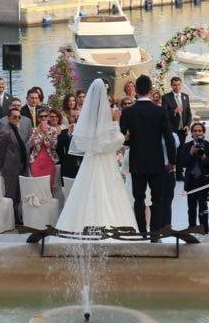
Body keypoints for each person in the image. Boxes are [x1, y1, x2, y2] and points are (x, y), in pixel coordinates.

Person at [56, 79, 139, 233]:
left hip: (90, 161)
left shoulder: (86, 118)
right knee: (109, 193)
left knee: (85, 193)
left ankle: (80, 227)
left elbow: (82, 142)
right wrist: (119, 131)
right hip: (106, 162)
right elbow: (115, 141)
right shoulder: (111, 115)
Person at [120, 75, 175, 235]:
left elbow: (122, 137)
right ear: (150, 90)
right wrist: (172, 161)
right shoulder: (160, 111)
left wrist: (133, 143)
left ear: (136, 90)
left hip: (137, 161)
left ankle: (142, 231)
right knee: (158, 199)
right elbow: (169, 138)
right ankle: (155, 233)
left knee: (139, 199)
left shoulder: (128, 112)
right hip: (157, 162)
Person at [179, 122, 209, 234]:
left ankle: (204, 230)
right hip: (191, 181)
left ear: (204, 132)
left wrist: (204, 157)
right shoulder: (186, 146)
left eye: (199, 131)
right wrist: (191, 153)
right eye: (195, 131)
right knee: (191, 208)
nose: (197, 133)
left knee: (203, 208)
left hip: (204, 181)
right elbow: (182, 163)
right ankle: (191, 229)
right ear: (191, 133)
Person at [0, 108, 28, 223]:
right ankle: (8, 220)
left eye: (19, 117)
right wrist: (1, 168)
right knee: (10, 196)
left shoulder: (17, 129)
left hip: (20, 168)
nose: (17, 119)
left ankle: (16, 218)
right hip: (10, 169)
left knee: (18, 195)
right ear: (8, 118)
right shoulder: (6, 132)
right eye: (14, 117)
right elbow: (0, 151)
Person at [161, 76, 192, 181]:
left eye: (178, 84)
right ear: (171, 85)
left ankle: (179, 174)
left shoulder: (185, 96)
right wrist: (174, 111)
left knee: (181, 152)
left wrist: (188, 125)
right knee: (172, 151)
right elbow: (164, 114)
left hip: (183, 130)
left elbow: (188, 113)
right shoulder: (166, 97)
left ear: (181, 85)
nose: (177, 87)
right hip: (172, 130)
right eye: (174, 85)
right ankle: (169, 172)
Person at [28, 109, 60, 196]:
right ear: (38, 118)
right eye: (41, 116)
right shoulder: (34, 130)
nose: (43, 118)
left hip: (49, 161)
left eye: (45, 116)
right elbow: (30, 145)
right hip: (36, 161)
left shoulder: (53, 130)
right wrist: (36, 133)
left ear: (48, 117)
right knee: (37, 188)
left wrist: (46, 134)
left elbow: (53, 146)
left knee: (49, 189)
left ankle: (49, 208)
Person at [56, 111, 82, 179]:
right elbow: (59, 148)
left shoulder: (86, 131)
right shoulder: (64, 132)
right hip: (69, 166)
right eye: (73, 116)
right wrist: (69, 133)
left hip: (83, 165)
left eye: (78, 116)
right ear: (69, 118)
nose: (76, 118)